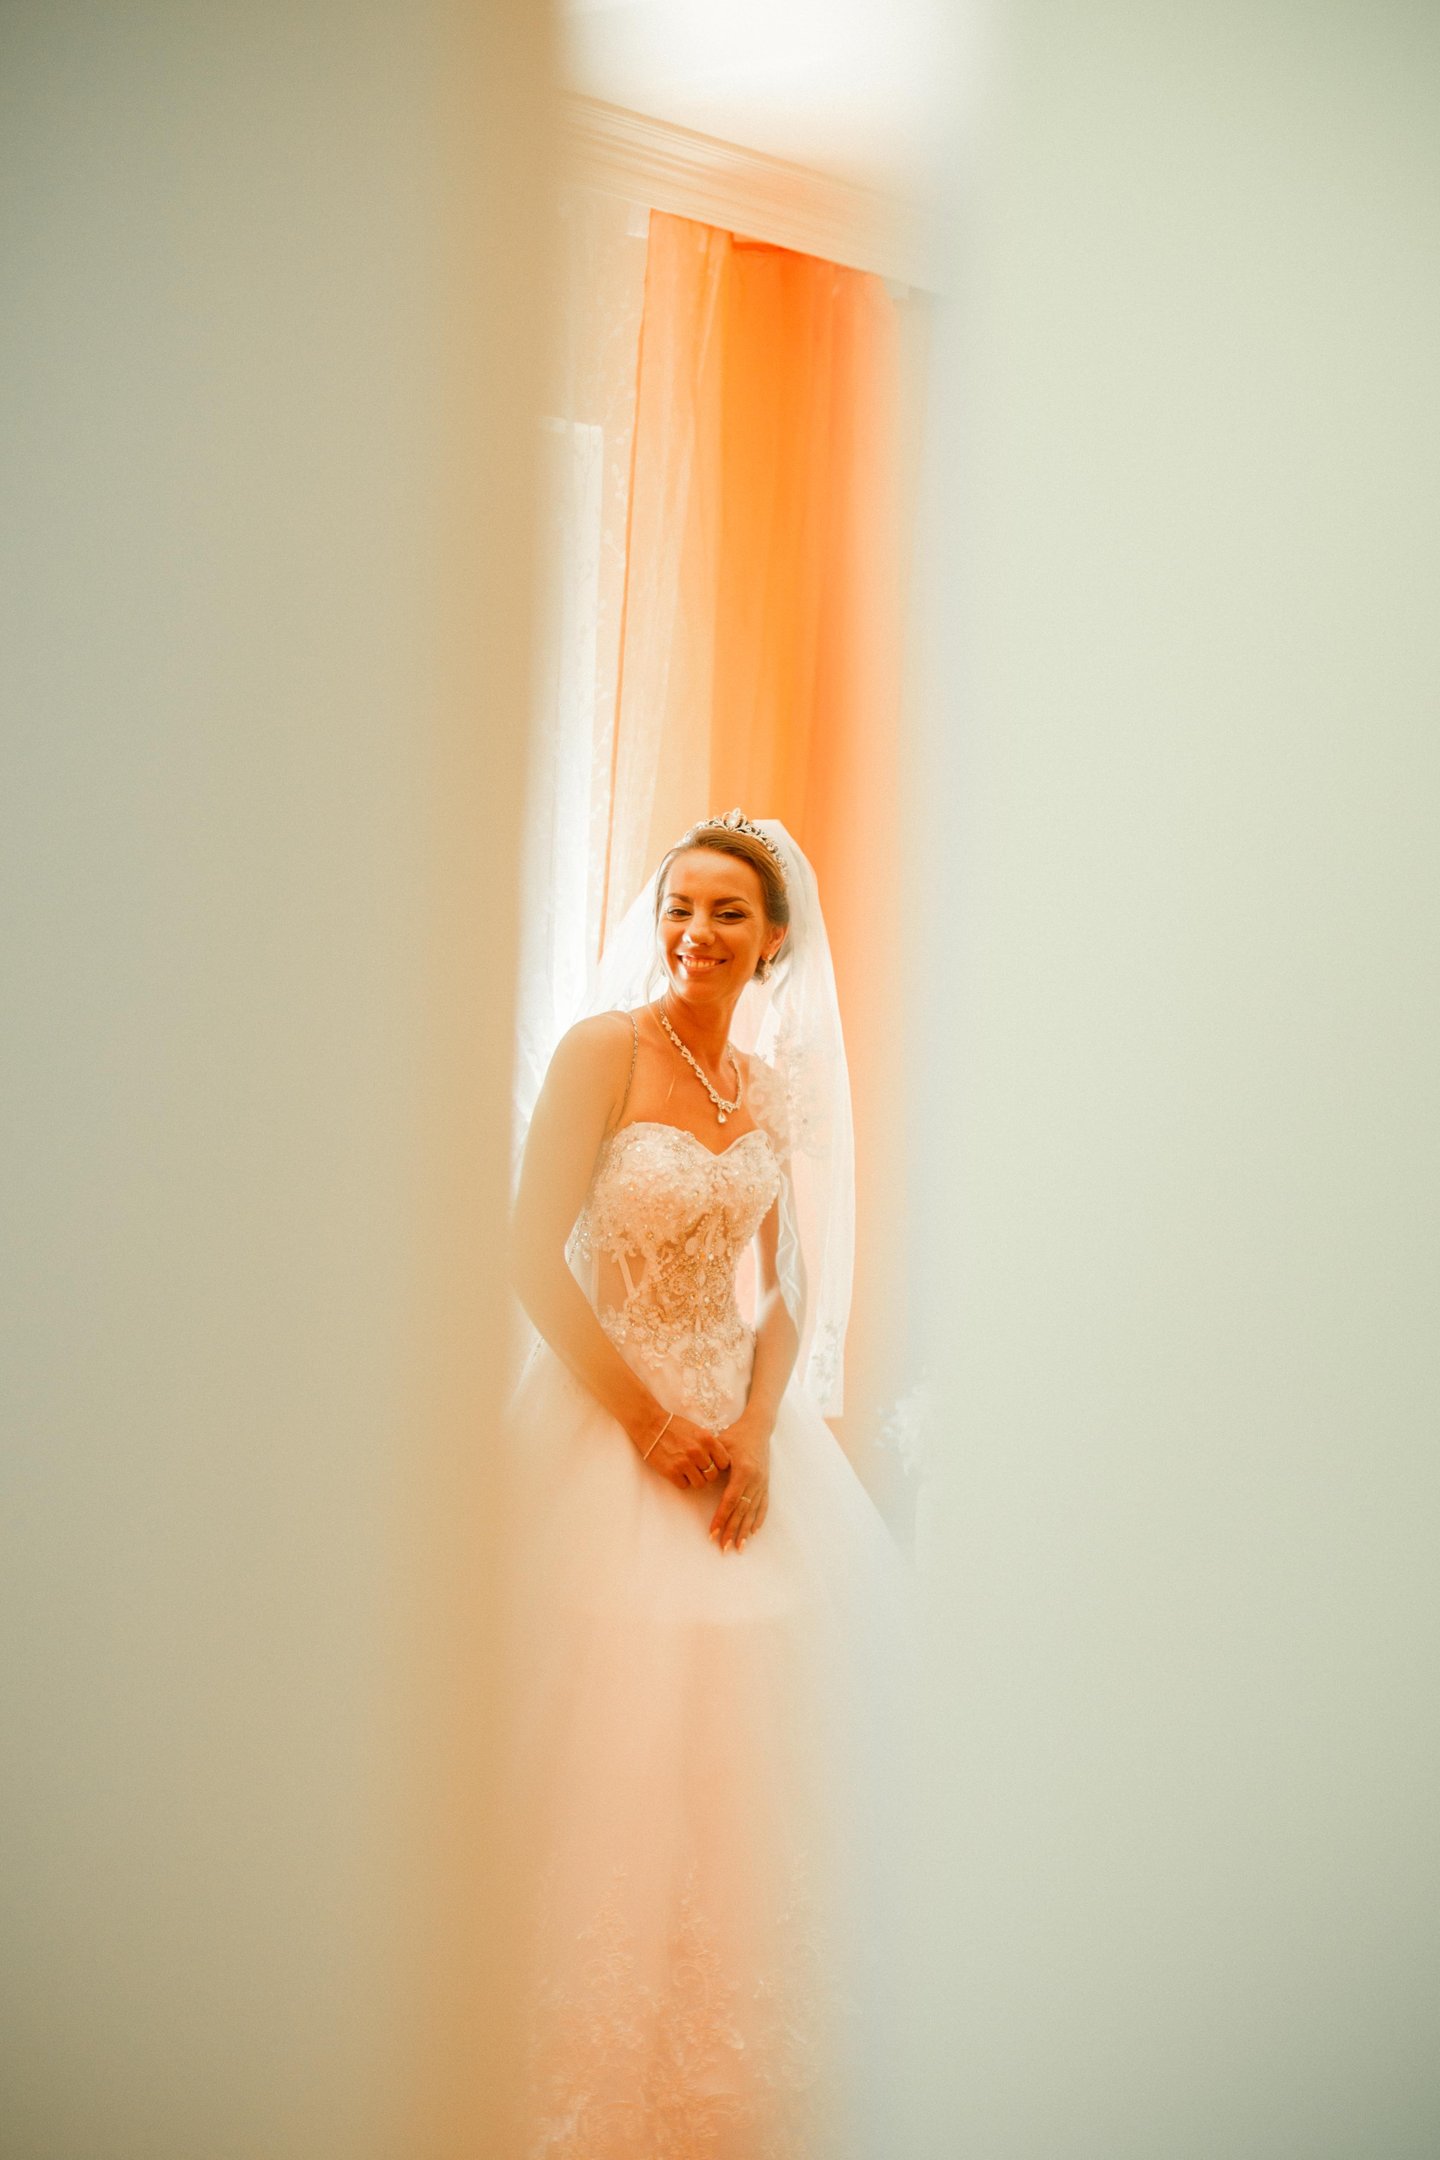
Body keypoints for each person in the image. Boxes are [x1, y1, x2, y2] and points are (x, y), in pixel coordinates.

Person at [505, 811, 912, 2160]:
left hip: (740, 1431)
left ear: (773, 939)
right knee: (601, 1698)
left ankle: (725, 2041)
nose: (697, 932)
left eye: (729, 912)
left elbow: (788, 1286)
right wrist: (646, 1423)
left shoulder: (770, 1086)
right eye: (680, 905)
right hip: (602, 1418)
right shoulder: (603, 1051)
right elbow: (529, 1253)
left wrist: (753, 1428)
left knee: (750, 1715)